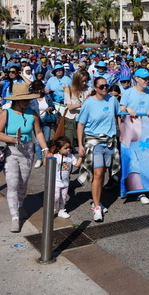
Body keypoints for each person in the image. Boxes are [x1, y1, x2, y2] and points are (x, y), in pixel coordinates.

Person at [0, 82, 50, 232]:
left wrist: (45, 149)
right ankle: (15, 218)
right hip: (10, 152)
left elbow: (38, 133)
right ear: (16, 100)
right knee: (12, 184)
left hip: (27, 151)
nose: (27, 102)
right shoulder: (5, 113)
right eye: (24, 99)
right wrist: (11, 139)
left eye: (28, 99)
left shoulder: (32, 113)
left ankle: (20, 205)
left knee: (23, 183)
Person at [76, 76, 120, 223]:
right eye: (101, 86)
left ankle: (97, 200)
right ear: (95, 88)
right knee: (98, 172)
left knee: (102, 174)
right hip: (93, 140)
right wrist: (80, 145)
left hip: (109, 140)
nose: (105, 88)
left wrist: (120, 131)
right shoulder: (89, 103)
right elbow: (80, 124)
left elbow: (118, 115)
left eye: (106, 86)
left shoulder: (112, 100)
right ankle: (96, 207)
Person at [49, 136, 79, 218]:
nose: (68, 149)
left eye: (69, 147)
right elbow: (45, 164)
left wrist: (81, 157)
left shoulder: (70, 156)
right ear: (59, 149)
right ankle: (53, 207)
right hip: (56, 181)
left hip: (65, 182)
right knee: (56, 197)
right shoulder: (56, 156)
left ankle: (61, 210)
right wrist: (47, 157)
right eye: (65, 148)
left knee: (63, 198)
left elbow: (77, 164)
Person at [31, 79, 56, 169]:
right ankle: (39, 158)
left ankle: (46, 156)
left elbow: (53, 106)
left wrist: (50, 108)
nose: (38, 91)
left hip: (46, 120)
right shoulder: (31, 99)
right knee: (37, 141)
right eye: (36, 89)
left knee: (46, 139)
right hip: (36, 121)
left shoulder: (47, 96)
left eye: (40, 89)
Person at [61, 69, 88, 150]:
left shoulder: (88, 89)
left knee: (85, 143)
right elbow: (70, 107)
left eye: (86, 81)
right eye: (82, 81)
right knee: (69, 144)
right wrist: (81, 104)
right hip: (70, 118)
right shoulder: (68, 89)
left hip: (83, 119)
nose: (84, 83)